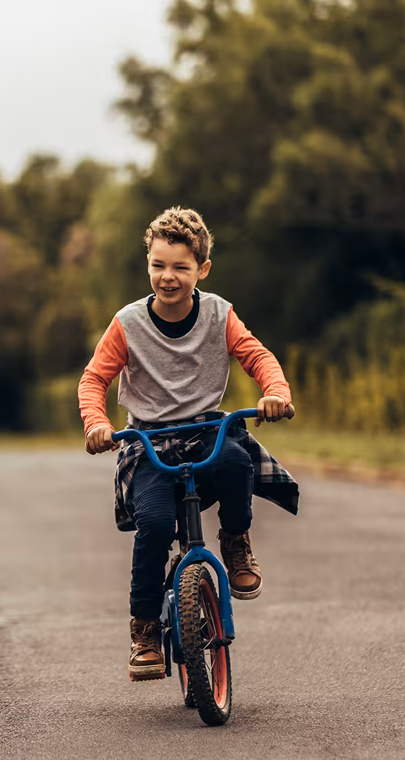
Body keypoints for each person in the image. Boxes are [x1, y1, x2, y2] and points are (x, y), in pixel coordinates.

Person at [77, 207, 299, 682]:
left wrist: (275, 391)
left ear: (202, 269)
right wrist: (97, 423)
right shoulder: (128, 323)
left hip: (204, 430)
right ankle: (144, 631)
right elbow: (94, 379)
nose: (168, 277)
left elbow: (255, 355)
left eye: (180, 266)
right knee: (155, 525)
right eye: (158, 265)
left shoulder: (219, 314)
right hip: (148, 438)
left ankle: (236, 540)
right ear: (148, 264)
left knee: (238, 461)